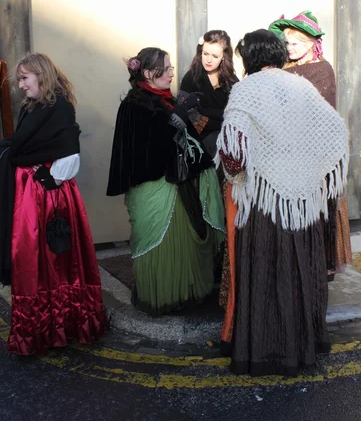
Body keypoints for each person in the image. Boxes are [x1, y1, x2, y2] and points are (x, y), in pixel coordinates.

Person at [216, 29, 349, 377]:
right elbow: (336, 133)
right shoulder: (302, 86)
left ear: (248, 58)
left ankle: (263, 352)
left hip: (262, 206)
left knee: (264, 276)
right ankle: (303, 348)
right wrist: (311, 178)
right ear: (277, 53)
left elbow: (232, 154)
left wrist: (237, 179)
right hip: (302, 209)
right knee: (298, 274)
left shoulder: (245, 89)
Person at [0, 53, 108, 356]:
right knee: (33, 260)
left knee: (53, 260)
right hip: (31, 194)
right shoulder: (32, 107)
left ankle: (59, 325)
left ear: (41, 76)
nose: (20, 85)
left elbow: (68, 148)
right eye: (19, 79)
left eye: (24, 78)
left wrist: (53, 179)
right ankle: (43, 328)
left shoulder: (58, 107)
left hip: (47, 197)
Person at [107, 47, 225, 316]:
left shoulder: (163, 99)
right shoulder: (134, 105)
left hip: (176, 185)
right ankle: (161, 296)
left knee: (183, 242)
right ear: (148, 73)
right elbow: (150, 147)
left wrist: (187, 113)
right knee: (160, 243)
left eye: (171, 67)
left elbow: (182, 136)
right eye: (167, 68)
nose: (172, 72)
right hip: (154, 187)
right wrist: (179, 116)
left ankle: (184, 293)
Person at [269, 11, 352, 275]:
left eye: (296, 43)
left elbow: (318, 109)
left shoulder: (322, 69)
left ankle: (322, 264)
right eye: (288, 43)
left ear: (310, 44)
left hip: (318, 152)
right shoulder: (282, 68)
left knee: (319, 209)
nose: (290, 48)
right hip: (288, 152)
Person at [180, 30, 238, 158]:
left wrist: (205, 111)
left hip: (228, 142)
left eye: (215, 56)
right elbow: (188, 115)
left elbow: (236, 115)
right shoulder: (190, 78)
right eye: (205, 54)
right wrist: (222, 118)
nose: (209, 60)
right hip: (198, 146)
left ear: (224, 56)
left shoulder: (232, 81)